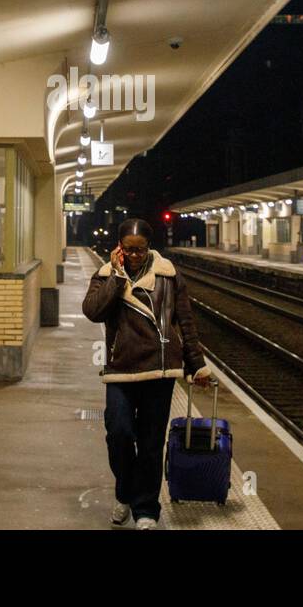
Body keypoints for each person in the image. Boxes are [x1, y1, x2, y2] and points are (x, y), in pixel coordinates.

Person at [83, 218, 211, 530]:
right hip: (121, 369)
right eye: (129, 250)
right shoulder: (105, 276)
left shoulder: (168, 275)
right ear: (119, 249)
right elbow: (92, 311)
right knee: (120, 434)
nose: (135, 255)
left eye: (140, 250)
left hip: (160, 367)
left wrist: (197, 365)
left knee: (151, 442)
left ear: (149, 247)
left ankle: (146, 510)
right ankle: (125, 491)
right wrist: (116, 277)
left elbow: (185, 321)